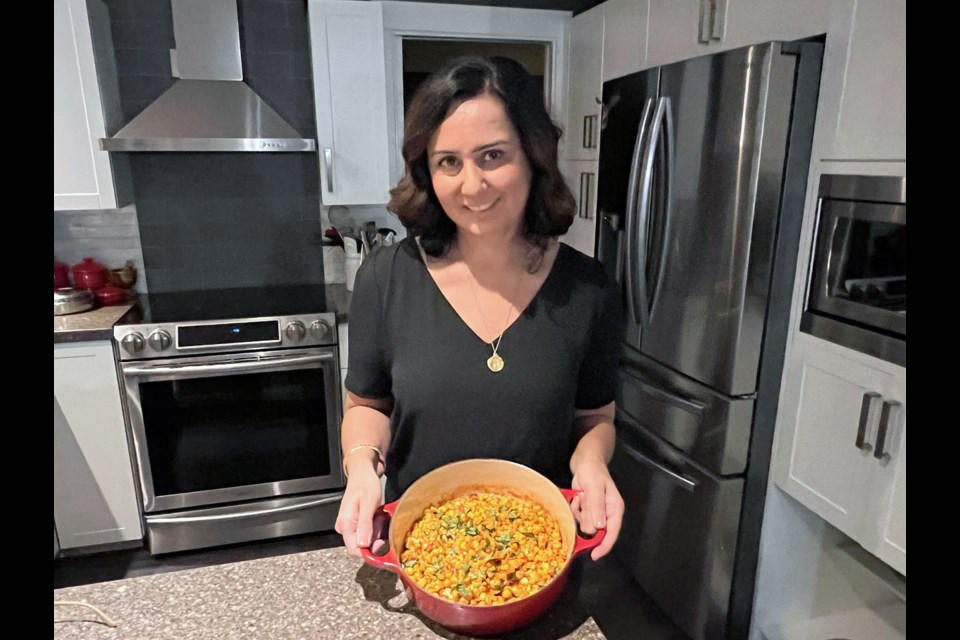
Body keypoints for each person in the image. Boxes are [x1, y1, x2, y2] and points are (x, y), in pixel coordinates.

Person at [335, 56, 624, 562]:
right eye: (449, 161)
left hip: (538, 554)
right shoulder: (386, 277)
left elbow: (594, 416)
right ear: (428, 169)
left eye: (493, 155)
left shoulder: (588, 288)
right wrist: (361, 467)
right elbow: (366, 407)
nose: (471, 186)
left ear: (534, 158)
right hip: (421, 551)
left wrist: (593, 464)